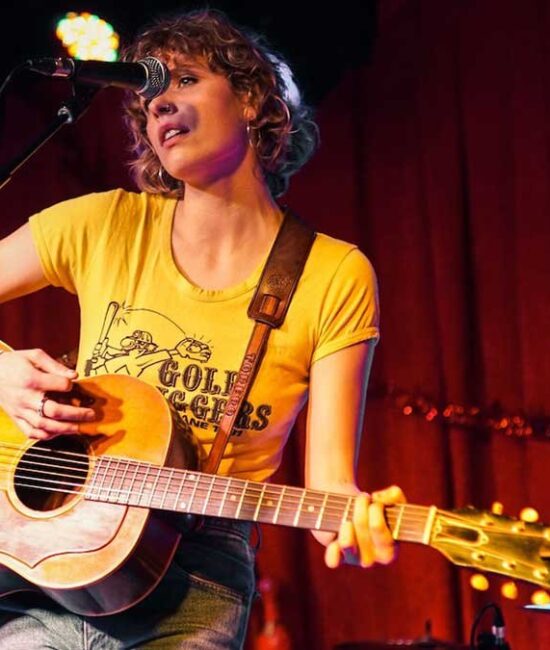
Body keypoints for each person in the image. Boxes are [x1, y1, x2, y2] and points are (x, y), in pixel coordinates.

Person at [0, 8, 405, 649]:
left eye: (185, 80)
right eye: (149, 98)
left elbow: (331, 487)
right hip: (46, 554)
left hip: (196, 575)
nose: (159, 103)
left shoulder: (332, 273)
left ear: (250, 99)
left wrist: (351, 527)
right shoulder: (103, 224)